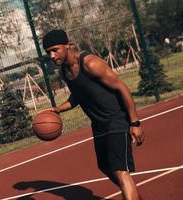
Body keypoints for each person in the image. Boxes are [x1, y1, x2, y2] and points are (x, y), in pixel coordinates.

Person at [42, 29, 145, 200]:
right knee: (105, 166)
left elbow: (121, 87)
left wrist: (135, 123)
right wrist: (58, 109)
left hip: (116, 120)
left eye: (55, 50)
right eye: (48, 52)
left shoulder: (90, 63)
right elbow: (77, 96)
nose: (52, 55)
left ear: (68, 46)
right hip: (99, 125)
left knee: (120, 170)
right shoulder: (64, 71)